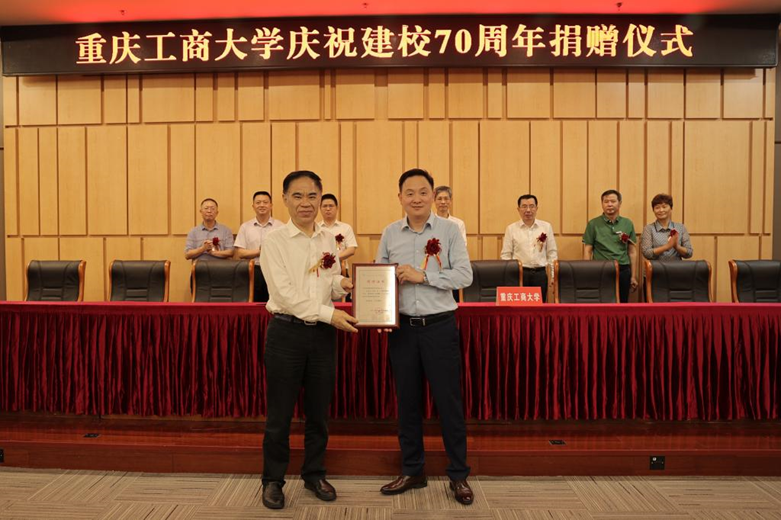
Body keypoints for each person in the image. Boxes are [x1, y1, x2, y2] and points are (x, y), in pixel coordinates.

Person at [258, 170, 359, 510]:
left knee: (319, 413)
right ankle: (273, 480)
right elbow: (284, 295)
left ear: (321, 199)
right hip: (286, 333)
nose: (306, 203)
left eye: (312, 196)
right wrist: (331, 314)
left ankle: (314, 474)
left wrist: (345, 285)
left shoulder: (328, 239)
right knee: (279, 415)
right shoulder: (274, 241)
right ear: (285, 199)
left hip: (322, 336)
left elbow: (329, 280)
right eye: (298, 196)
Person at [376, 168, 474, 506]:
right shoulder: (390, 233)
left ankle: (458, 475)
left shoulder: (449, 230)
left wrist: (424, 276)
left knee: (448, 402)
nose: (416, 198)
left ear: (433, 195)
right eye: (409, 193)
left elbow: (465, 275)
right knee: (407, 403)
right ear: (400, 197)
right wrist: (379, 310)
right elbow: (379, 277)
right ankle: (412, 470)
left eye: (422, 192)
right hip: (403, 330)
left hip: (439, 327)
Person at [582, 189, 638, 303]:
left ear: (620, 203)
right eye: (606, 201)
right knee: (601, 303)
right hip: (601, 269)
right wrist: (588, 274)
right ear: (602, 204)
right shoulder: (593, 224)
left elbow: (632, 251)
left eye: (613, 201)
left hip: (623, 269)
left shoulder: (627, 223)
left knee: (622, 303)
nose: (609, 204)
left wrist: (633, 276)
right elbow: (587, 250)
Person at [500, 194, 558, 302]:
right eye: (524, 206)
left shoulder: (546, 227)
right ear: (518, 209)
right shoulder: (511, 229)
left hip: (540, 274)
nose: (528, 210)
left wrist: (553, 275)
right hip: (519, 275)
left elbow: (552, 253)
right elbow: (506, 255)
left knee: (539, 307)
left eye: (531, 206)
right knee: (519, 307)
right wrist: (509, 277)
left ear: (536, 208)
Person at [234, 191, 284, 302]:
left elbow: (285, 252)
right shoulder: (245, 227)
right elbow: (240, 253)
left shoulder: (281, 227)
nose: (262, 205)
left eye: (265, 202)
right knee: (253, 303)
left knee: (274, 303)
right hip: (253, 271)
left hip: (274, 270)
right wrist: (261, 251)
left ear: (271, 205)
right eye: (258, 202)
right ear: (253, 206)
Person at [641, 193, 693, 261]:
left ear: (671, 208)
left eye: (664, 207)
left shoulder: (680, 227)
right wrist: (667, 247)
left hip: (677, 267)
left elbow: (689, 253)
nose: (661, 210)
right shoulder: (648, 229)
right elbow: (646, 253)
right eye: (657, 207)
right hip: (656, 267)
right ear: (653, 210)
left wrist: (677, 247)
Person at [319, 194, 358, 262]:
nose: (328, 209)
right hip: (320, 266)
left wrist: (332, 260)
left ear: (337, 208)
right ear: (320, 208)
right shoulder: (315, 228)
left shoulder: (346, 228)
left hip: (341, 266)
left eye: (331, 206)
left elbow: (351, 249)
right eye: (325, 206)